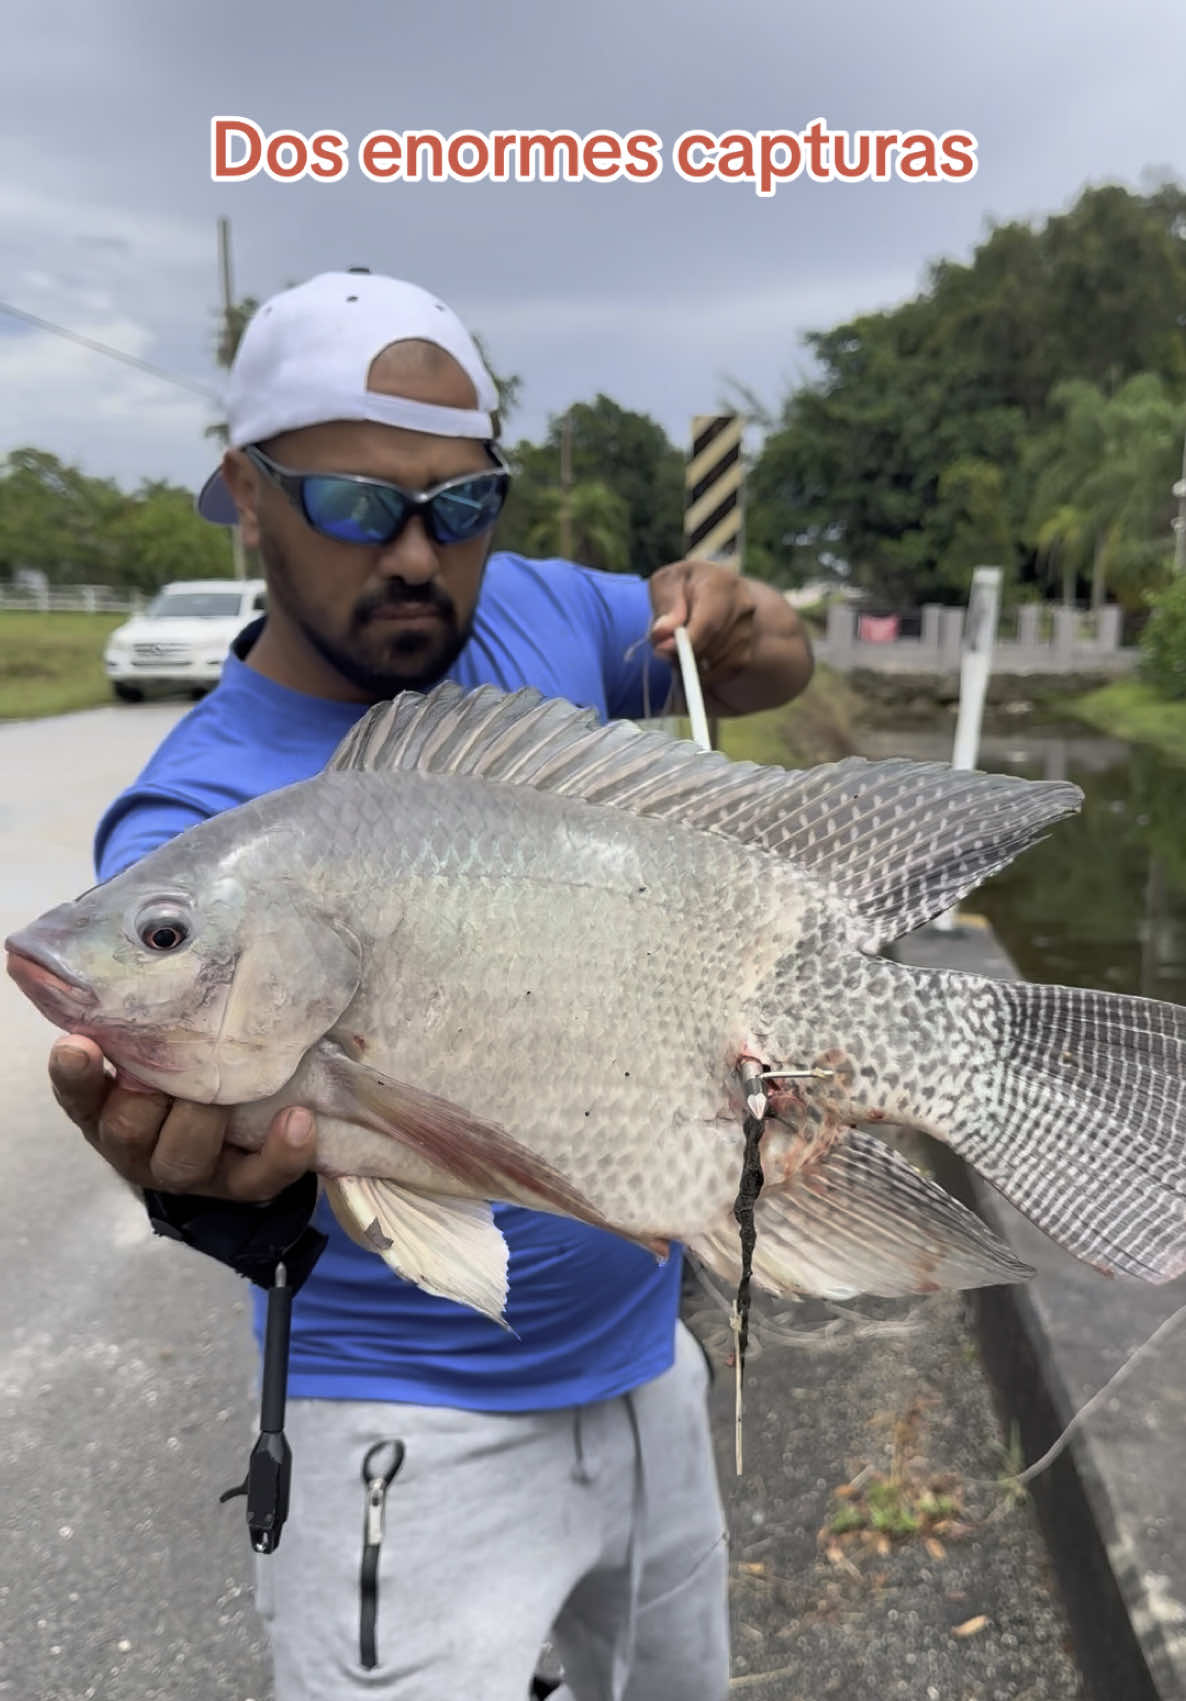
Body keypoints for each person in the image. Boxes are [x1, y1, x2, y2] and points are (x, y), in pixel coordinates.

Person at [47, 269, 814, 1701]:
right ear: (248, 493)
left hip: (650, 1375)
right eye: (355, 503)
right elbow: (209, 1149)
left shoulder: (543, 617)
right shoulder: (192, 827)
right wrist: (204, 1192)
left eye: (460, 507)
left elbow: (774, 664)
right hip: (406, 1429)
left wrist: (727, 613)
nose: (416, 553)